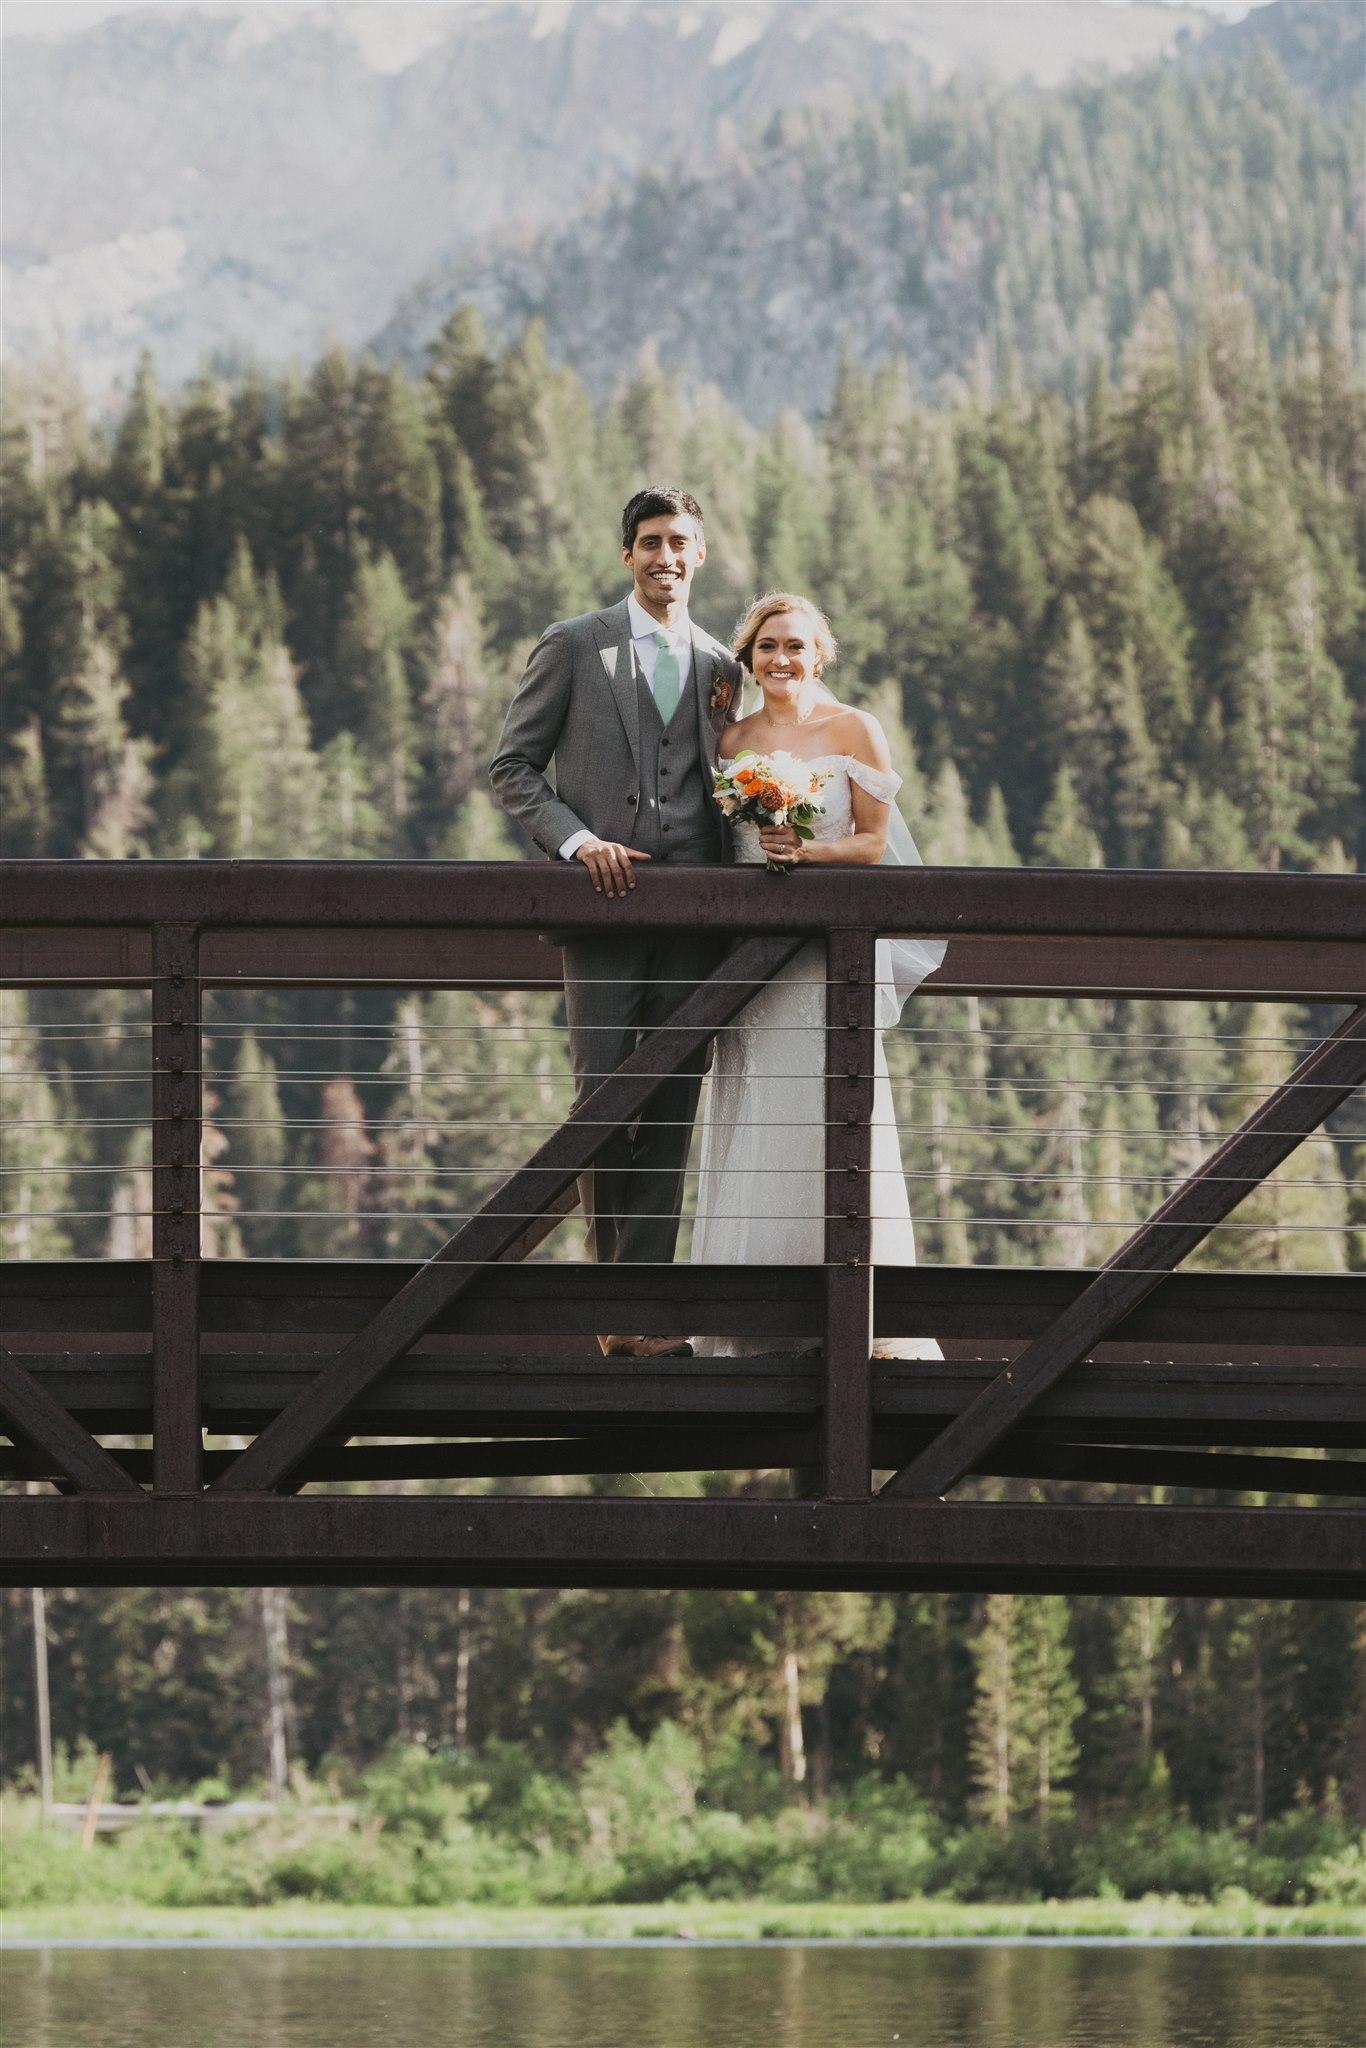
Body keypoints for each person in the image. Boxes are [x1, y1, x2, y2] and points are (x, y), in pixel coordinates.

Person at [489, 485, 744, 1358]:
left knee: (673, 1105)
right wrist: (576, 842)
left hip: (694, 922)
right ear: (627, 555)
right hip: (601, 917)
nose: (665, 556)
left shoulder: (722, 669)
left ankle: (652, 1311)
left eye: (679, 542)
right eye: (649, 543)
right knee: (603, 1102)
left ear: (699, 555)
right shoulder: (573, 645)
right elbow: (513, 767)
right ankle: (611, 1309)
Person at [689, 591, 945, 1360]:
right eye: (767, 647)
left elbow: (871, 844)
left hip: (830, 959)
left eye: (796, 646)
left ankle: (857, 1310)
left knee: (836, 1107)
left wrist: (803, 853)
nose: (782, 660)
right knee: (761, 1103)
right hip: (757, 960)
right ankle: (751, 1315)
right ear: (748, 656)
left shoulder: (855, 728)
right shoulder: (733, 740)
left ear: (819, 655)